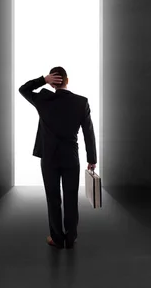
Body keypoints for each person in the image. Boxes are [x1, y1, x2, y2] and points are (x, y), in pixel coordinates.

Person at [19, 66, 97, 249]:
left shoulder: (43, 99)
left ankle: (57, 238)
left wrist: (42, 80)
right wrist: (92, 158)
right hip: (71, 157)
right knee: (71, 197)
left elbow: (23, 89)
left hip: (49, 158)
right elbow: (89, 133)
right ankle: (70, 238)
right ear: (67, 80)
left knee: (52, 197)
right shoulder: (81, 102)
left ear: (53, 82)